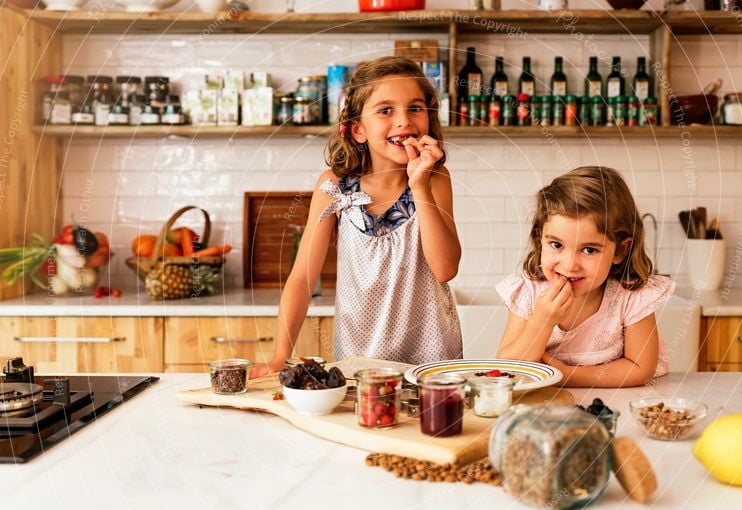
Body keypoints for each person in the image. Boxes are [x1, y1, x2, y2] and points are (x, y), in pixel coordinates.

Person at [250, 56, 462, 378]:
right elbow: (303, 278)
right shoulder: (333, 186)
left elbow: (445, 269)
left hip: (430, 358)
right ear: (358, 130)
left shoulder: (434, 179)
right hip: (358, 358)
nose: (404, 121)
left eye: (415, 108)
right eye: (386, 110)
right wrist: (281, 354)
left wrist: (418, 183)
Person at [496, 166, 674, 387]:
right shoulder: (528, 293)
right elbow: (507, 370)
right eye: (557, 245)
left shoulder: (630, 296)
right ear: (539, 238)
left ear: (619, 251)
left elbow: (639, 369)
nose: (570, 265)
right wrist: (541, 321)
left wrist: (567, 375)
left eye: (589, 250)